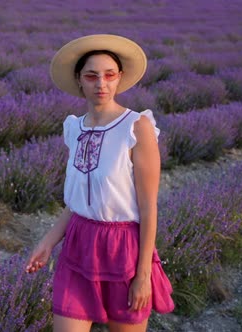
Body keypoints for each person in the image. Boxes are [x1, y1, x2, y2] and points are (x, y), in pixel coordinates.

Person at [25, 34, 169, 332]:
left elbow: (148, 208)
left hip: (123, 249)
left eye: (109, 75)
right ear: (79, 80)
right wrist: (48, 242)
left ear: (120, 78)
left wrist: (142, 275)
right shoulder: (74, 128)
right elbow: (79, 201)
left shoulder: (136, 127)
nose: (100, 84)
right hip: (78, 244)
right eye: (91, 76)